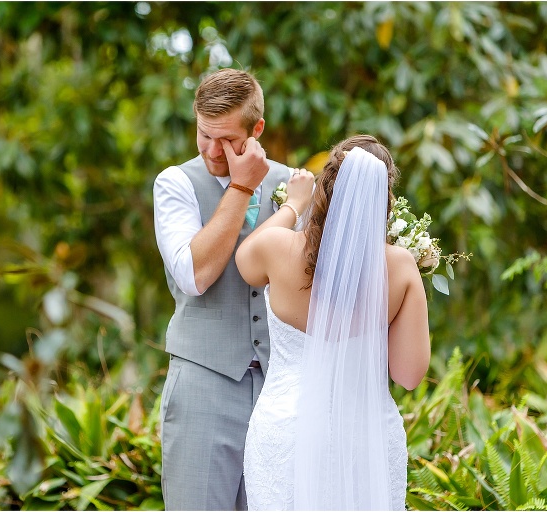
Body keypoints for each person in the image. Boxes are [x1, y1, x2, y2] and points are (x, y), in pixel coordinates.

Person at [236, 135, 431, 510]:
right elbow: (408, 375)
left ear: (325, 188)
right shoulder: (401, 266)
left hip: (287, 433)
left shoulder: (277, 247)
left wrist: (294, 205)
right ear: (385, 201)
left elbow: (245, 260)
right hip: (365, 440)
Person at [153, 68, 314, 510]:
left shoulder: (295, 187)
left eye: (225, 139)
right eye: (203, 134)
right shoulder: (175, 184)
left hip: (279, 391)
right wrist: (242, 186)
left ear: (257, 129)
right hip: (203, 385)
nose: (211, 150)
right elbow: (195, 275)